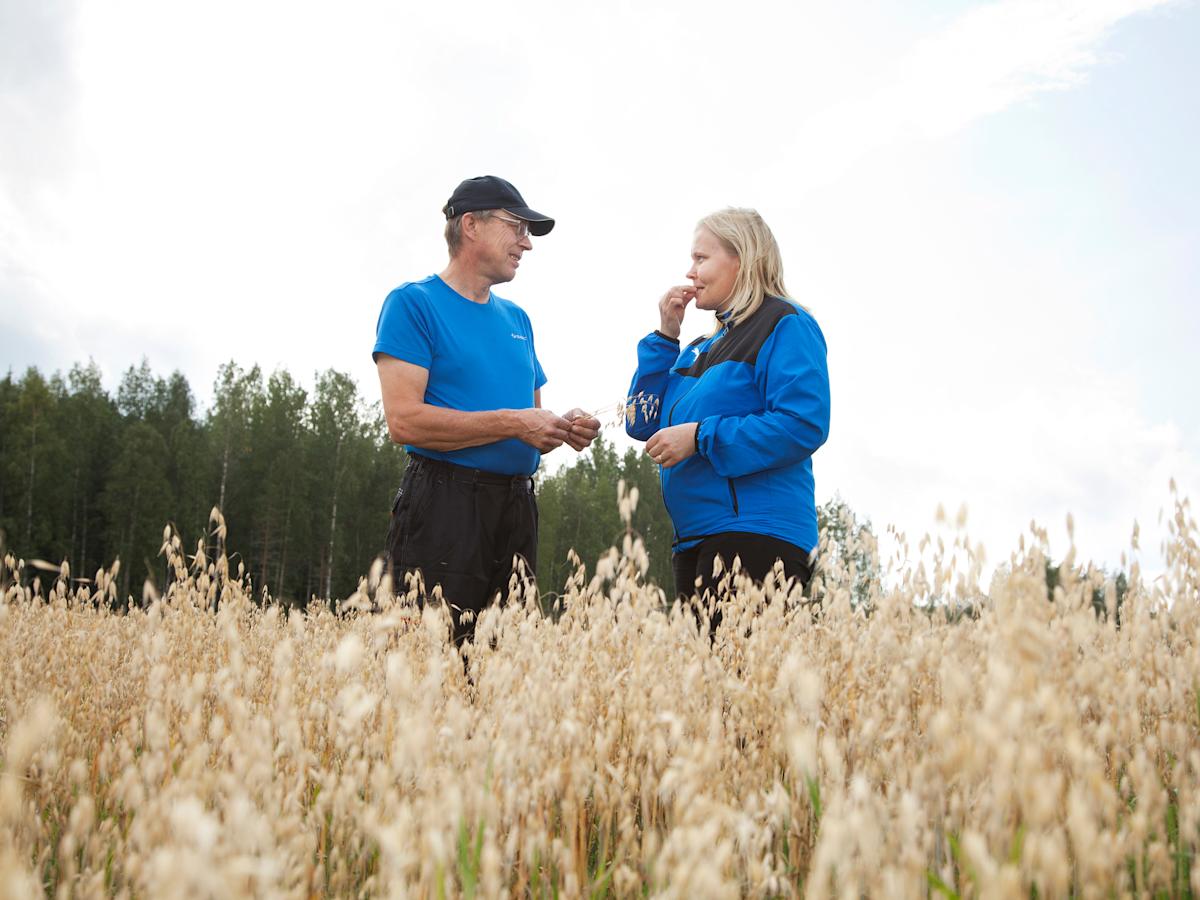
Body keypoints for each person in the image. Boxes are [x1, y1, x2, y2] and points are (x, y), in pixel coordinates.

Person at [374, 175, 600, 645]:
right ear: (471, 225)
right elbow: (404, 421)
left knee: (503, 670)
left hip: (517, 509)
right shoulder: (414, 304)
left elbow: (527, 431)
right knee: (430, 663)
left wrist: (562, 427)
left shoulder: (519, 320)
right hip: (443, 505)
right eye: (517, 226)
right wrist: (515, 422)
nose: (527, 243)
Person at [625, 207, 830, 611]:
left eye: (701, 258)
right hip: (693, 539)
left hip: (757, 535)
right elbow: (641, 420)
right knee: (706, 676)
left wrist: (700, 437)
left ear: (742, 259)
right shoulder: (700, 347)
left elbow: (802, 424)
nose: (690, 271)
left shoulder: (786, 323)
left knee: (737, 674)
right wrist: (665, 337)